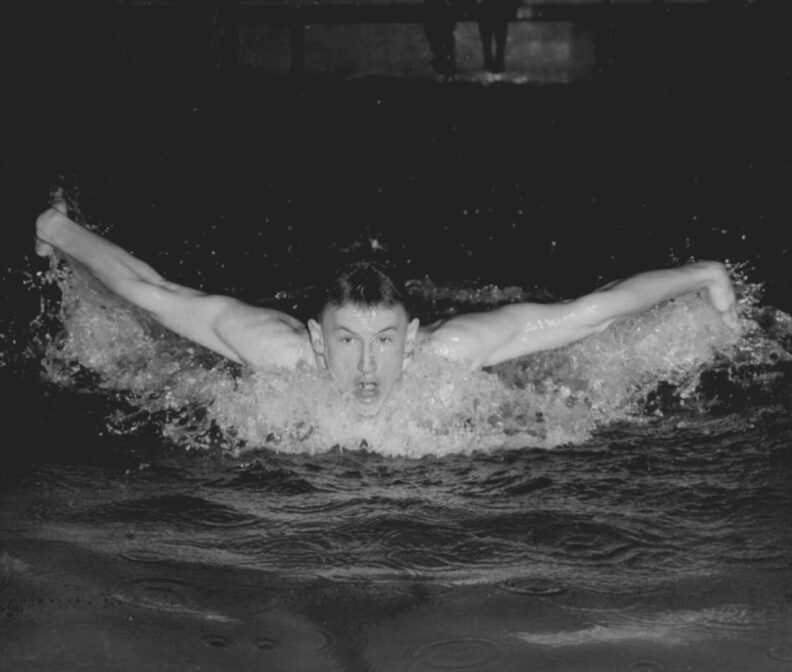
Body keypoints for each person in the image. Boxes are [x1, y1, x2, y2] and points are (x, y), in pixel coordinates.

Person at [35, 201, 739, 418]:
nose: (368, 367)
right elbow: (155, 294)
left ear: (414, 336)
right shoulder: (277, 351)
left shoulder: (450, 352)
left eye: (383, 342)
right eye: (346, 342)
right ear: (316, 339)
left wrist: (700, 274)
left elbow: (592, 311)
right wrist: (59, 231)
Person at [477, 0, 519, 73]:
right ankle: (498, 62)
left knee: (487, 39)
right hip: (500, 9)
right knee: (499, 40)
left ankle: (489, 62)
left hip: (487, 9)